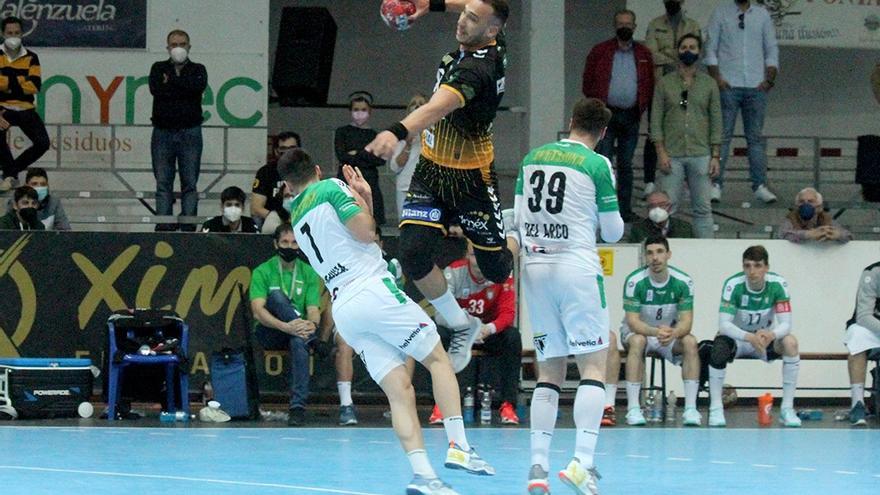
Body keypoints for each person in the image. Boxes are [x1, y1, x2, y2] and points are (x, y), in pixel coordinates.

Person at [280, 148, 493, 494]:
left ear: (288, 187)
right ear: (317, 169)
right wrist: (363, 197)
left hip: (344, 307)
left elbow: (352, 237)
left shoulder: (297, 219)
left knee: (399, 391)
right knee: (438, 357)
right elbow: (366, 233)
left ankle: (424, 475)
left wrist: (363, 204)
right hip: (371, 289)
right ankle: (460, 447)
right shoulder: (332, 188)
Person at [366, 0, 514, 375]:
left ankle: (515, 232)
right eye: (463, 14)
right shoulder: (490, 39)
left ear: (491, 31)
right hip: (431, 173)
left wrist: (396, 131)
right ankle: (462, 325)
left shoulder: (477, 68)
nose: (462, 21)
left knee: (497, 270)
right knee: (414, 255)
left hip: (471, 180)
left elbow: (437, 107)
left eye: (472, 20)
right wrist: (426, 7)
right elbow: (475, 5)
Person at [510, 97, 624, 495]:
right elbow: (612, 232)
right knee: (594, 365)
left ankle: (537, 466)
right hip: (576, 269)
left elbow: (519, 220)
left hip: (536, 270)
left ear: (571, 121)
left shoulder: (531, 158)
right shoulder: (597, 164)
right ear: (603, 132)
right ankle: (582, 463)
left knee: (549, 372)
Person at [706, 245, 801, 428]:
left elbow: (786, 324)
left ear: (766, 267)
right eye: (747, 266)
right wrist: (750, 337)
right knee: (718, 347)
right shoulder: (733, 285)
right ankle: (716, 408)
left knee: (790, 342)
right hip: (739, 338)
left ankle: (787, 409)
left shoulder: (778, 285)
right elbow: (724, 325)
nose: (752, 271)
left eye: (757, 266)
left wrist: (770, 334)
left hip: (765, 339)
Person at [428, 242, 521, 426]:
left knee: (512, 337)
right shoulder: (453, 272)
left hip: (486, 332)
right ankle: (440, 405)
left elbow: (508, 313)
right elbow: (440, 314)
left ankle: (508, 405)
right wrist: (466, 326)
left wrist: (487, 329)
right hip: (459, 331)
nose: (478, 261)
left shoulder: (501, 272)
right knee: (438, 336)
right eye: (473, 255)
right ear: (466, 256)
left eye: (482, 255)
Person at [617, 235, 701, 426]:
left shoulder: (683, 282)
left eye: (660, 252)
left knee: (690, 341)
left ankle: (690, 409)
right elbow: (632, 322)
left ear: (668, 254)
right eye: (650, 253)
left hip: (668, 334)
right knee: (638, 340)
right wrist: (655, 332)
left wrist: (673, 333)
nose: (655, 258)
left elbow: (686, 322)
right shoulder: (634, 281)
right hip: (639, 332)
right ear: (645, 257)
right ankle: (633, 409)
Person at [582, 9, 655, 222]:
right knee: (603, 163)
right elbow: (587, 83)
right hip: (606, 115)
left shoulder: (643, 54)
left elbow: (649, 84)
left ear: (634, 26)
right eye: (620, 23)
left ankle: (624, 209)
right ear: (615, 26)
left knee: (626, 164)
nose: (624, 27)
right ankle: (602, 208)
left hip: (631, 115)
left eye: (628, 23)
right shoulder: (601, 51)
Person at [705, 0, 779, 204]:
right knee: (722, 137)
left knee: (755, 139)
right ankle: (716, 184)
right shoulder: (721, 12)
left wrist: (769, 79)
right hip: (728, 85)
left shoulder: (762, 14)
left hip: (756, 86)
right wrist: (717, 79)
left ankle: (760, 185)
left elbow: (771, 48)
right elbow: (710, 48)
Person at [249, 224, 322, 427]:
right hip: (269, 330)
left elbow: (314, 309)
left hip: (297, 332)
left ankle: (297, 407)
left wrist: (312, 325)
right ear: (276, 244)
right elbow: (258, 311)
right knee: (276, 296)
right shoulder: (263, 271)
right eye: (285, 242)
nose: (289, 246)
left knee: (299, 342)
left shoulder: (308, 272)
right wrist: (285, 326)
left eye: (294, 242)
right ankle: (312, 341)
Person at [651, 33, 721, 239]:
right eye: (683, 47)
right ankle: (664, 251)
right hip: (671, 155)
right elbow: (655, 120)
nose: (688, 51)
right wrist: (660, 152)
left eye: (692, 47)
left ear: (699, 52)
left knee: (702, 209)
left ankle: (706, 252)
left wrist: (716, 155)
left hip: (701, 154)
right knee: (667, 209)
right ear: (677, 51)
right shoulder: (664, 83)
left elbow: (717, 121)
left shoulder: (709, 84)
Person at [149, 29, 208, 231]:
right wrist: (183, 87)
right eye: (174, 45)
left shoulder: (198, 69)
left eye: (182, 44)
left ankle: (188, 225)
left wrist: (172, 82)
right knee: (163, 183)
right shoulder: (158, 68)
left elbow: (196, 88)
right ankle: (164, 225)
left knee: (190, 183)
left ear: (189, 46)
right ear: (167, 48)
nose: (178, 48)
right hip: (162, 132)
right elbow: (156, 90)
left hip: (190, 132)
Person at [643, 0, 702, 198]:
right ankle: (649, 181)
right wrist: (678, 57)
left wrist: (672, 55)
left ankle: (684, 181)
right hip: (661, 86)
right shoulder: (655, 24)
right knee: (655, 130)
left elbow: (695, 52)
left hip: (686, 86)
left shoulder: (692, 25)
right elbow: (651, 54)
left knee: (684, 127)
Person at [0, 16, 50, 192]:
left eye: (17, 33)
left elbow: (35, 86)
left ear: (22, 34)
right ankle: (10, 175)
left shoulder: (32, 57)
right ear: (2, 34)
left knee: (43, 143)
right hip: (2, 108)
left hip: (26, 108)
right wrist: (21, 82)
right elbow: (25, 85)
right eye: (9, 33)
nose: (13, 36)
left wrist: (7, 84)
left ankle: (9, 172)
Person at [335, 92, 387, 225]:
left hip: (370, 180)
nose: (359, 113)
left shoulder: (374, 134)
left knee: (372, 220)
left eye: (363, 109)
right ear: (350, 111)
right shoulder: (342, 132)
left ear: (370, 111)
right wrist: (366, 155)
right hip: (347, 178)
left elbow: (380, 160)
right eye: (356, 109)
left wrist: (356, 153)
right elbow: (342, 155)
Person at [844, 261, 880, 426]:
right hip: (871, 328)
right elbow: (864, 316)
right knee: (856, 335)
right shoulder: (872, 273)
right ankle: (857, 404)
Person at [389, 94, 428, 218]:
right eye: (413, 104)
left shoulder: (434, 133)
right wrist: (407, 144)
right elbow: (395, 167)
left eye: (421, 103)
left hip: (428, 189)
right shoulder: (402, 134)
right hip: (406, 187)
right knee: (405, 226)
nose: (417, 106)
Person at [252, 131, 301, 226]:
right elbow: (256, 208)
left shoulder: (307, 172)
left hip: (301, 219)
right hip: (274, 221)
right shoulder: (265, 172)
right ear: (276, 151)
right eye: (283, 149)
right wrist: (278, 220)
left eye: (292, 148)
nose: (287, 153)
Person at [778, 187, 852, 244]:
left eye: (810, 201)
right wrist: (808, 234)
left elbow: (849, 236)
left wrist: (838, 235)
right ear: (797, 206)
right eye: (801, 201)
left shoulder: (826, 218)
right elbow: (782, 235)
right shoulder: (791, 218)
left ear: (819, 206)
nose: (806, 204)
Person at [628, 190, 694, 243]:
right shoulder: (638, 230)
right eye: (652, 206)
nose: (657, 209)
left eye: (662, 205)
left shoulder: (684, 228)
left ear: (670, 207)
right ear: (647, 209)